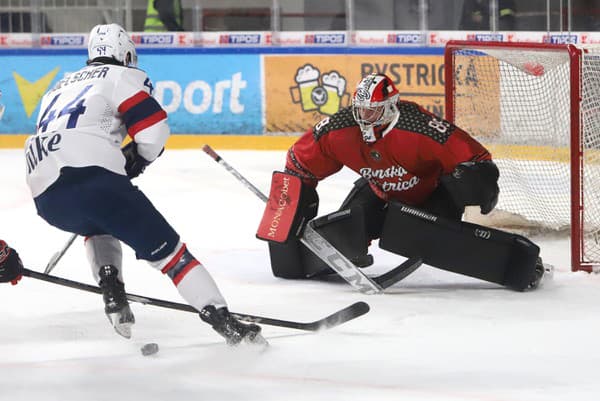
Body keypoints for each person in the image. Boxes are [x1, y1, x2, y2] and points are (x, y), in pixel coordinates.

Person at [23, 23, 265, 346]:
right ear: (124, 54)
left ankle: (111, 287)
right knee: (171, 255)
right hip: (95, 180)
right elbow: (153, 132)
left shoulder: (56, 88)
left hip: (45, 192)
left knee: (97, 223)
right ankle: (225, 322)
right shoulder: (121, 75)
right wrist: (137, 158)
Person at [256, 73, 544, 290]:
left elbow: (475, 158)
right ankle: (321, 257)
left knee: (415, 234)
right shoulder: (340, 128)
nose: (364, 117)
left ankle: (517, 262)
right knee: (344, 231)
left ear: (391, 106)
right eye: (360, 109)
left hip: (432, 196)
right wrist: (289, 212)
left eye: (373, 110)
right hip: (379, 193)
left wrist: (478, 186)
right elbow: (298, 165)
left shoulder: (419, 126)